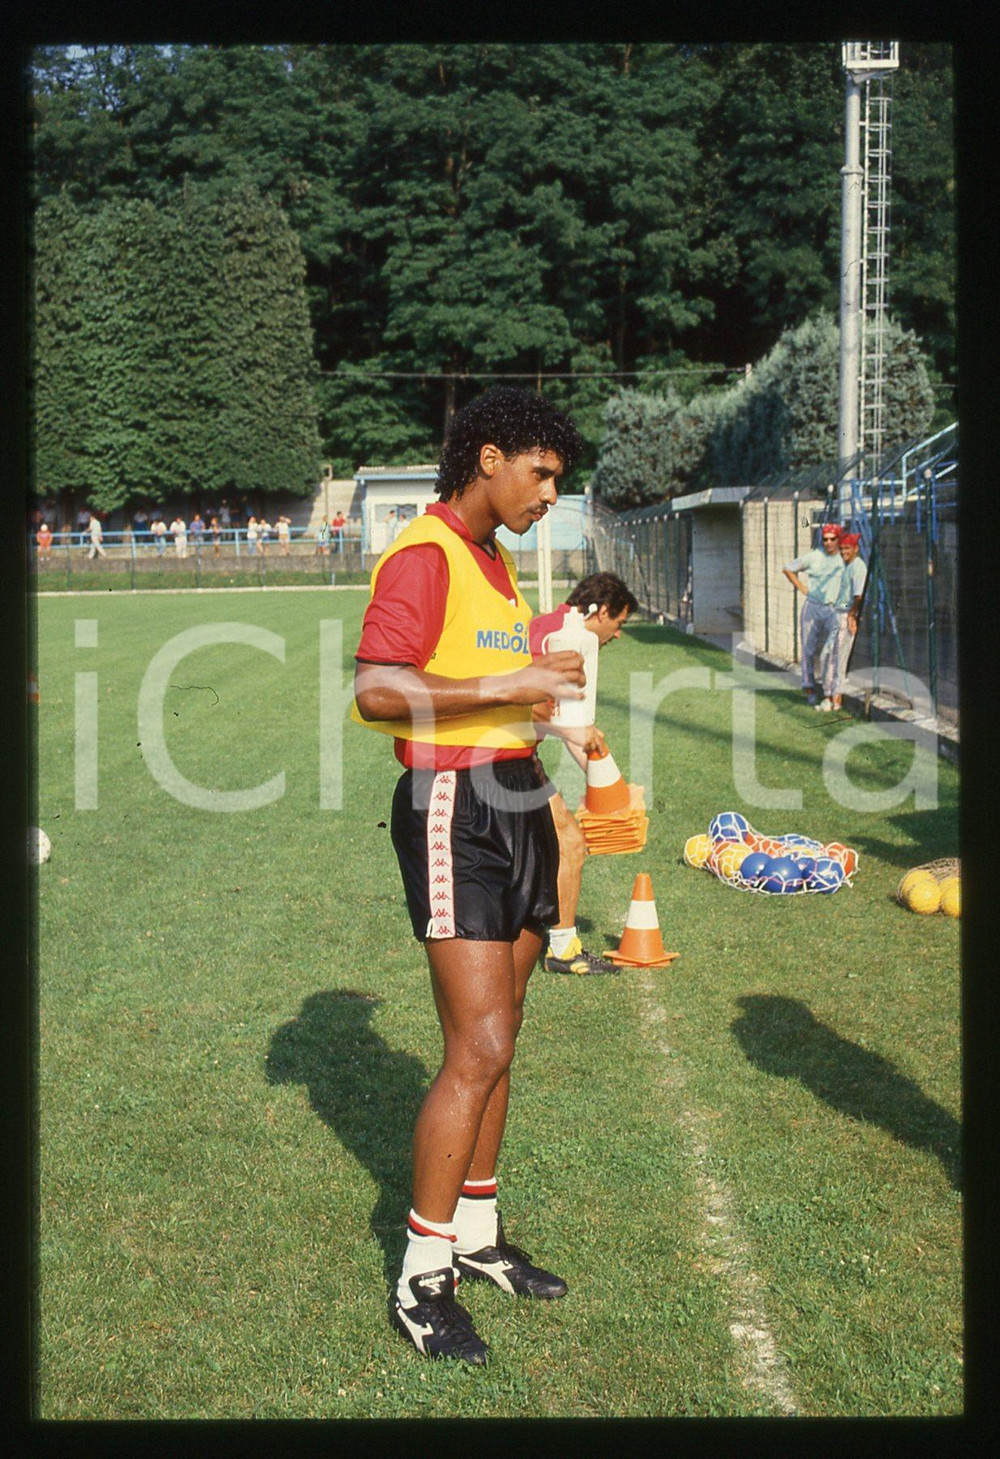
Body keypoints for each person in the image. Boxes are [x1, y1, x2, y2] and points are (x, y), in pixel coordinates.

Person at [353, 386, 590, 1366]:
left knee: (507, 1032)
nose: (549, 495)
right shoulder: (426, 553)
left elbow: (489, 671)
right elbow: (377, 687)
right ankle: (421, 1275)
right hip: (457, 808)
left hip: (517, 797)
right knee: (477, 1043)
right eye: (541, 474)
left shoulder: (495, 567)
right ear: (488, 457)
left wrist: (548, 671)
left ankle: (480, 1237)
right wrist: (513, 683)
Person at [528, 572, 639, 976]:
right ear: (603, 611)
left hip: (517, 752)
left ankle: (547, 938)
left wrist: (612, 790)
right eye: (620, 623)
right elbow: (536, 711)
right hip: (504, 756)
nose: (619, 634)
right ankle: (562, 949)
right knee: (570, 842)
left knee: (556, 844)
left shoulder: (559, 629)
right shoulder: (565, 636)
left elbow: (571, 727)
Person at [782, 524, 845, 705]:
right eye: (825, 539)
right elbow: (788, 568)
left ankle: (830, 693)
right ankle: (809, 688)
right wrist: (802, 587)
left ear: (839, 539)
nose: (828, 543)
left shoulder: (844, 559)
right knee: (808, 649)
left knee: (832, 652)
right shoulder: (814, 557)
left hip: (833, 609)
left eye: (832, 539)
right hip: (813, 607)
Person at [819, 531, 869, 712]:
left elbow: (858, 596)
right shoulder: (846, 566)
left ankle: (834, 700)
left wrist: (851, 616)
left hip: (845, 616)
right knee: (829, 657)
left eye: (847, 548)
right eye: (841, 549)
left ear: (855, 549)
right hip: (837, 614)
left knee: (835, 658)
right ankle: (830, 698)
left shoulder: (858, 567)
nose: (843, 552)